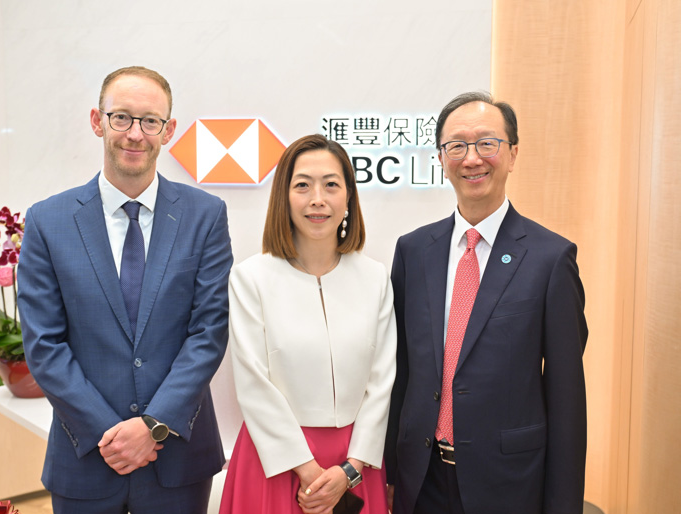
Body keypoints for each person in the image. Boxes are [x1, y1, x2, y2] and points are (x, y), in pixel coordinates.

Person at [17, 66, 233, 514]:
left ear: (168, 130)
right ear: (97, 121)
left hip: (178, 457)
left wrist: (153, 425)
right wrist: (110, 433)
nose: (135, 133)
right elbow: (43, 343)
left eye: (150, 121)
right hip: (86, 455)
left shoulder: (205, 215)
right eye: (121, 117)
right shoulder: (47, 220)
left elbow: (208, 332)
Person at [384, 92, 588, 514]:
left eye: (486, 143)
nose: (472, 158)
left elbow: (566, 397)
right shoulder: (413, 251)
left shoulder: (550, 259)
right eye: (457, 146)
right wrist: (388, 472)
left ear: (512, 154)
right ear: (441, 159)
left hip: (509, 484)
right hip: (420, 480)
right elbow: (400, 372)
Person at [218, 134, 396, 514]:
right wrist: (309, 471)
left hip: (355, 464)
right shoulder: (251, 278)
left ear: (349, 197)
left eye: (331, 185)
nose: (318, 198)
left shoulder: (375, 277)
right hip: (276, 461)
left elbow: (382, 383)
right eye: (302, 185)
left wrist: (350, 470)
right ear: (283, 197)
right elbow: (253, 383)